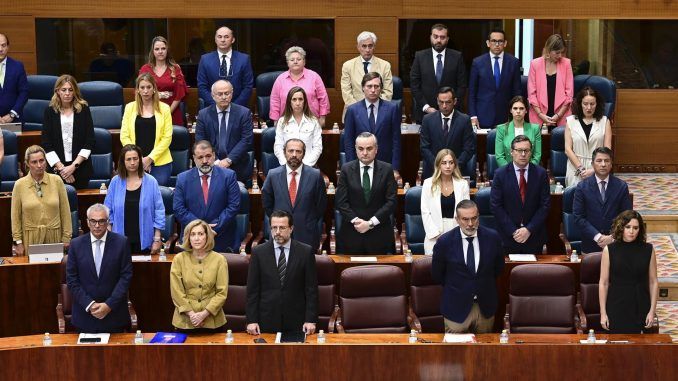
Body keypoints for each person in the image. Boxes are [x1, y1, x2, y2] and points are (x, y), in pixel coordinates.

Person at [431, 200, 505, 333]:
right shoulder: (444, 242)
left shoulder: (493, 238)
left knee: (485, 351)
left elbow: (498, 269)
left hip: (485, 308)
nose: (470, 224)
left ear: (478, 217)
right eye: (465, 219)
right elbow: (437, 275)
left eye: (474, 218)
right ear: (457, 219)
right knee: (455, 352)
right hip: (455, 308)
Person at [246, 210, 318, 335]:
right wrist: (251, 320)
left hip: (297, 321)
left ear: (291, 228)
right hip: (266, 320)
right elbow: (252, 290)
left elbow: (311, 290)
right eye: (274, 228)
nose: (277, 232)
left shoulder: (305, 252)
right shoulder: (258, 252)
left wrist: (310, 320)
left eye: (282, 228)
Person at [66, 203, 133, 333]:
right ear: (87, 222)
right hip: (85, 317)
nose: (97, 225)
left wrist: (109, 305)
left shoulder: (121, 243)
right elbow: (72, 280)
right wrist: (90, 305)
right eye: (93, 221)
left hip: (114, 316)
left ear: (108, 221)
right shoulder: (76, 245)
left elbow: (126, 277)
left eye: (101, 221)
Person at [335, 132, 397, 254]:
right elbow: (341, 202)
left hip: (379, 235)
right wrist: (357, 221)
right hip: (352, 234)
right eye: (361, 149)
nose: (364, 153)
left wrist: (370, 223)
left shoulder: (387, 169)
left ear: (376, 149)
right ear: (356, 149)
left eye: (369, 148)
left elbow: (391, 202)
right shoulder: (346, 169)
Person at [174, 140, 240, 252]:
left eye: (208, 156)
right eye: (200, 157)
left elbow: (233, 206)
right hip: (192, 240)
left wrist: (213, 229)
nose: (205, 161)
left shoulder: (229, 176)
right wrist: (201, 229)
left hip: (221, 237)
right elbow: (179, 209)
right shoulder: (182, 179)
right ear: (194, 159)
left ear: (214, 156)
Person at [599, 210, 658, 333]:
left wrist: (652, 311)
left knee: (641, 348)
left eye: (636, 228)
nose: (631, 231)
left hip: (641, 303)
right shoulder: (609, 250)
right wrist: (603, 313)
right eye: (628, 227)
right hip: (617, 304)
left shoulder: (648, 249)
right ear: (621, 227)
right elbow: (603, 283)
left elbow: (653, 282)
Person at [263, 139, 327, 251]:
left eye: (298, 151)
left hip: (306, 234)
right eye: (290, 151)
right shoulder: (273, 175)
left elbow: (321, 205)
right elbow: (267, 204)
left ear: (304, 153)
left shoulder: (315, 175)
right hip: (280, 234)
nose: (294, 155)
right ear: (284, 152)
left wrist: (307, 220)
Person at [490, 135, 550, 254]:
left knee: (533, 272)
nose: (523, 154)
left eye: (526, 150)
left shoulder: (541, 174)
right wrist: (514, 231)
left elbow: (545, 206)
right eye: (519, 150)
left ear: (530, 152)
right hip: (508, 237)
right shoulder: (500, 174)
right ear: (511, 152)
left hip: (533, 236)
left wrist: (528, 229)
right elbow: (496, 206)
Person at [11, 145, 72, 256]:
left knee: (55, 273)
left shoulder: (57, 181)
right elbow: (15, 217)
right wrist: (18, 242)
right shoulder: (19, 185)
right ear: (28, 164)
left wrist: (66, 238)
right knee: (32, 273)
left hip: (54, 237)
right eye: (34, 162)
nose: (39, 165)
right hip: (30, 238)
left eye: (41, 161)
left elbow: (65, 211)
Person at [170, 219, 228, 333]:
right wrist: (192, 315)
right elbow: (176, 291)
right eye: (193, 234)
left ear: (207, 236)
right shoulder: (179, 259)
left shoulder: (219, 260)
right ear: (188, 237)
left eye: (200, 234)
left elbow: (222, 292)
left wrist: (204, 314)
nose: (196, 238)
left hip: (212, 321)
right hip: (185, 321)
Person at [104, 145, 164, 254]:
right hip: (119, 241)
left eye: (135, 159)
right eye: (128, 159)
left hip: (145, 241)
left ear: (140, 160)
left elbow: (159, 211)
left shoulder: (151, 182)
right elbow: (108, 212)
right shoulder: (115, 182)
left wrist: (157, 238)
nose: (132, 162)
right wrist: (109, 238)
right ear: (123, 161)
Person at [41, 74, 95, 189]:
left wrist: (73, 167)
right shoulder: (50, 112)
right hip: (56, 170)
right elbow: (46, 143)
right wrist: (62, 169)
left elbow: (89, 141)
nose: (67, 93)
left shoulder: (83, 110)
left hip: (80, 168)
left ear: (75, 91)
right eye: (63, 90)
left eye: (70, 90)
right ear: (57, 91)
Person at [573, 147, 632, 254]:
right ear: (592, 164)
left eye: (607, 161)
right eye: (599, 161)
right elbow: (578, 217)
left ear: (611, 164)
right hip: (590, 244)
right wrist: (598, 237)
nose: (603, 164)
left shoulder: (621, 186)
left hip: (616, 245)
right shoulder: (582, 187)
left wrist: (612, 237)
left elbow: (626, 217)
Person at [195, 79, 253, 184]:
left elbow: (246, 140)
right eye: (220, 94)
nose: (223, 97)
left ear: (232, 93)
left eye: (227, 93)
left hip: (237, 166)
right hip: (210, 165)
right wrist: (216, 161)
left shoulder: (244, 113)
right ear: (213, 96)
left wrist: (228, 160)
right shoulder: (203, 115)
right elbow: (201, 141)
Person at [120, 73, 173, 186]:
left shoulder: (164, 108)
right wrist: (138, 158)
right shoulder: (130, 107)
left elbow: (167, 138)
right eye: (142, 87)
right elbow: (124, 135)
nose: (145, 91)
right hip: (134, 161)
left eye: (149, 87)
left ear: (154, 89)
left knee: (157, 192)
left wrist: (150, 158)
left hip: (160, 162)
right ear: (137, 90)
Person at [343, 72, 401, 173]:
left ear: (381, 88)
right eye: (369, 86)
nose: (373, 90)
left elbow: (396, 140)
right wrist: (352, 167)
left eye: (376, 86)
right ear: (363, 88)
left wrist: (395, 168)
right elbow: (348, 141)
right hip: (360, 163)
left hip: (385, 164)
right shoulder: (352, 110)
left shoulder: (392, 109)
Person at [410, 24, 467, 123]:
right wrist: (426, 107)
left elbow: (462, 85)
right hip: (425, 114)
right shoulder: (420, 56)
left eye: (442, 37)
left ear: (447, 39)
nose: (439, 40)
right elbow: (414, 85)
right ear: (430, 37)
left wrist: (451, 106)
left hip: (452, 115)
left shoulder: (457, 57)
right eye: (435, 36)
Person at [468, 28, 522, 130]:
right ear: (488, 43)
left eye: (500, 41)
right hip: (482, 116)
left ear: (505, 43)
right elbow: (472, 93)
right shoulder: (477, 63)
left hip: (506, 117)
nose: (497, 44)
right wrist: (473, 116)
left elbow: (517, 92)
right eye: (493, 41)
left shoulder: (513, 62)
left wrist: (516, 115)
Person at [421, 149, 470, 255]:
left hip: (456, 233)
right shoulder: (428, 184)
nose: (448, 166)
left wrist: (456, 235)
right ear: (438, 165)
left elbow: (467, 212)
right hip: (434, 234)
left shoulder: (462, 184)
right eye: (444, 163)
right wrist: (436, 235)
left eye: (451, 163)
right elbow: (425, 212)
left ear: (455, 165)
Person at [420, 87, 475, 179]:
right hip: (434, 172)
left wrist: (453, 166)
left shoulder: (464, 120)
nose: (444, 106)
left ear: (455, 101)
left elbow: (468, 149)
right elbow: (424, 148)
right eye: (441, 102)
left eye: (448, 102)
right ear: (437, 101)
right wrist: (439, 166)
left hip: (457, 172)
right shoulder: (428, 120)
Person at [269, 46, 330, 127]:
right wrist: (276, 121)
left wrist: (322, 118)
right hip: (286, 123)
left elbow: (323, 98)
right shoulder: (280, 79)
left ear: (304, 62)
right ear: (287, 63)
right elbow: (275, 101)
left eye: (298, 59)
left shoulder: (314, 77)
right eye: (292, 60)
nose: (295, 62)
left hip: (311, 122)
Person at [564, 86, 612, 187]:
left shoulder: (604, 121)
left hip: (599, 166)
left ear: (597, 104)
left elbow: (607, 150)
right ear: (580, 104)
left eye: (592, 104)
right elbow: (568, 149)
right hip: (575, 168)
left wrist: (594, 169)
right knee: (575, 198)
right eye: (585, 104)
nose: (589, 108)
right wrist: (581, 168)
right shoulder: (571, 121)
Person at [340, 31, 393, 119]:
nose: (367, 50)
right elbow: (346, 93)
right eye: (364, 46)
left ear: (374, 47)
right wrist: (359, 109)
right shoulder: (348, 66)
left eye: (370, 46)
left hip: (378, 112)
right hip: (354, 112)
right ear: (358, 47)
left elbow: (387, 93)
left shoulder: (385, 65)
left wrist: (374, 108)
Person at [197, 26, 253, 108]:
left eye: (226, 37)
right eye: (219, 37)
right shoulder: (205, 59)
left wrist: (234, 107)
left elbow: (248, 86)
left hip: (238, 109)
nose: (223, 40)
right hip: (212, 109)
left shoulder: (244, 59)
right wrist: (217, 106)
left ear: (233, 39)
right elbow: (202, 87)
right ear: (215, 39)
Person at [139, 36, 188, 126]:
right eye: (157, 49)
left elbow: (179, 94)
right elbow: (140, 91)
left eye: (163, 48)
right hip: (150, 111)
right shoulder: (145, 69)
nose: (160, 51)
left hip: (172, 112)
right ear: (152, 51)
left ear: (167, 50)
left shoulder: (175, 68)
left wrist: (167, 113)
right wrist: (157, 95)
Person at [527, 34, 573, 128]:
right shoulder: (535, 64)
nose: (560, 56)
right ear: (549, 50)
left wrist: (558, 116)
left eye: (562, 52)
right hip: (538, 115)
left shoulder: (566, 63)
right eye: (557, 52)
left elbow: (569, 95)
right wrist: (540, 114)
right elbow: (532, 94)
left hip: (562, 114)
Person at [273, 86, 322, 167]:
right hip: (287, 167)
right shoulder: (282, 122)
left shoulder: (313, 122)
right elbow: (278, 147)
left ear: (305, 102)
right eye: (294, 99)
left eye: (300, 99)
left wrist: (306, 166)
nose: (298, 103)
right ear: (289, 102)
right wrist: (287, 165)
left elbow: (318, 147)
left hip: (308, 167)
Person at [494, 96, 542, 167]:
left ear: (526, 110)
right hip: (508, 172)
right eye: (515, 108)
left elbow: (537, 156)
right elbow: (499, 157)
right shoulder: (501, 129)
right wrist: (511, 172)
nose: (518, 111)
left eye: (521, 108)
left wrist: (527, 171)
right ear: (511, 110)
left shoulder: (535, 129)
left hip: (529, 172)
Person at [0, 33, 29, 124]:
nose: (0, 49)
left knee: (13, 138)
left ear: (8, 47)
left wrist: (12, 114)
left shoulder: (18, 66)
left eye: (3, 45)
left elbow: (24, 92)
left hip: (14, 120)